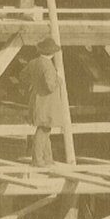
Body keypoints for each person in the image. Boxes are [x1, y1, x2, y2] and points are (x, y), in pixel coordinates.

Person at [25, 39, 68, 167]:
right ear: (52, 53)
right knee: (43, 129)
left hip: (36, 100)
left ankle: (48, 159)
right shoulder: (48, 65)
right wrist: (58, 81)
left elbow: (23, 76)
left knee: (46, 129)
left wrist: (35, 84)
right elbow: (50, 86)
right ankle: (37, 160)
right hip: (47, 102)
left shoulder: (33, 63)